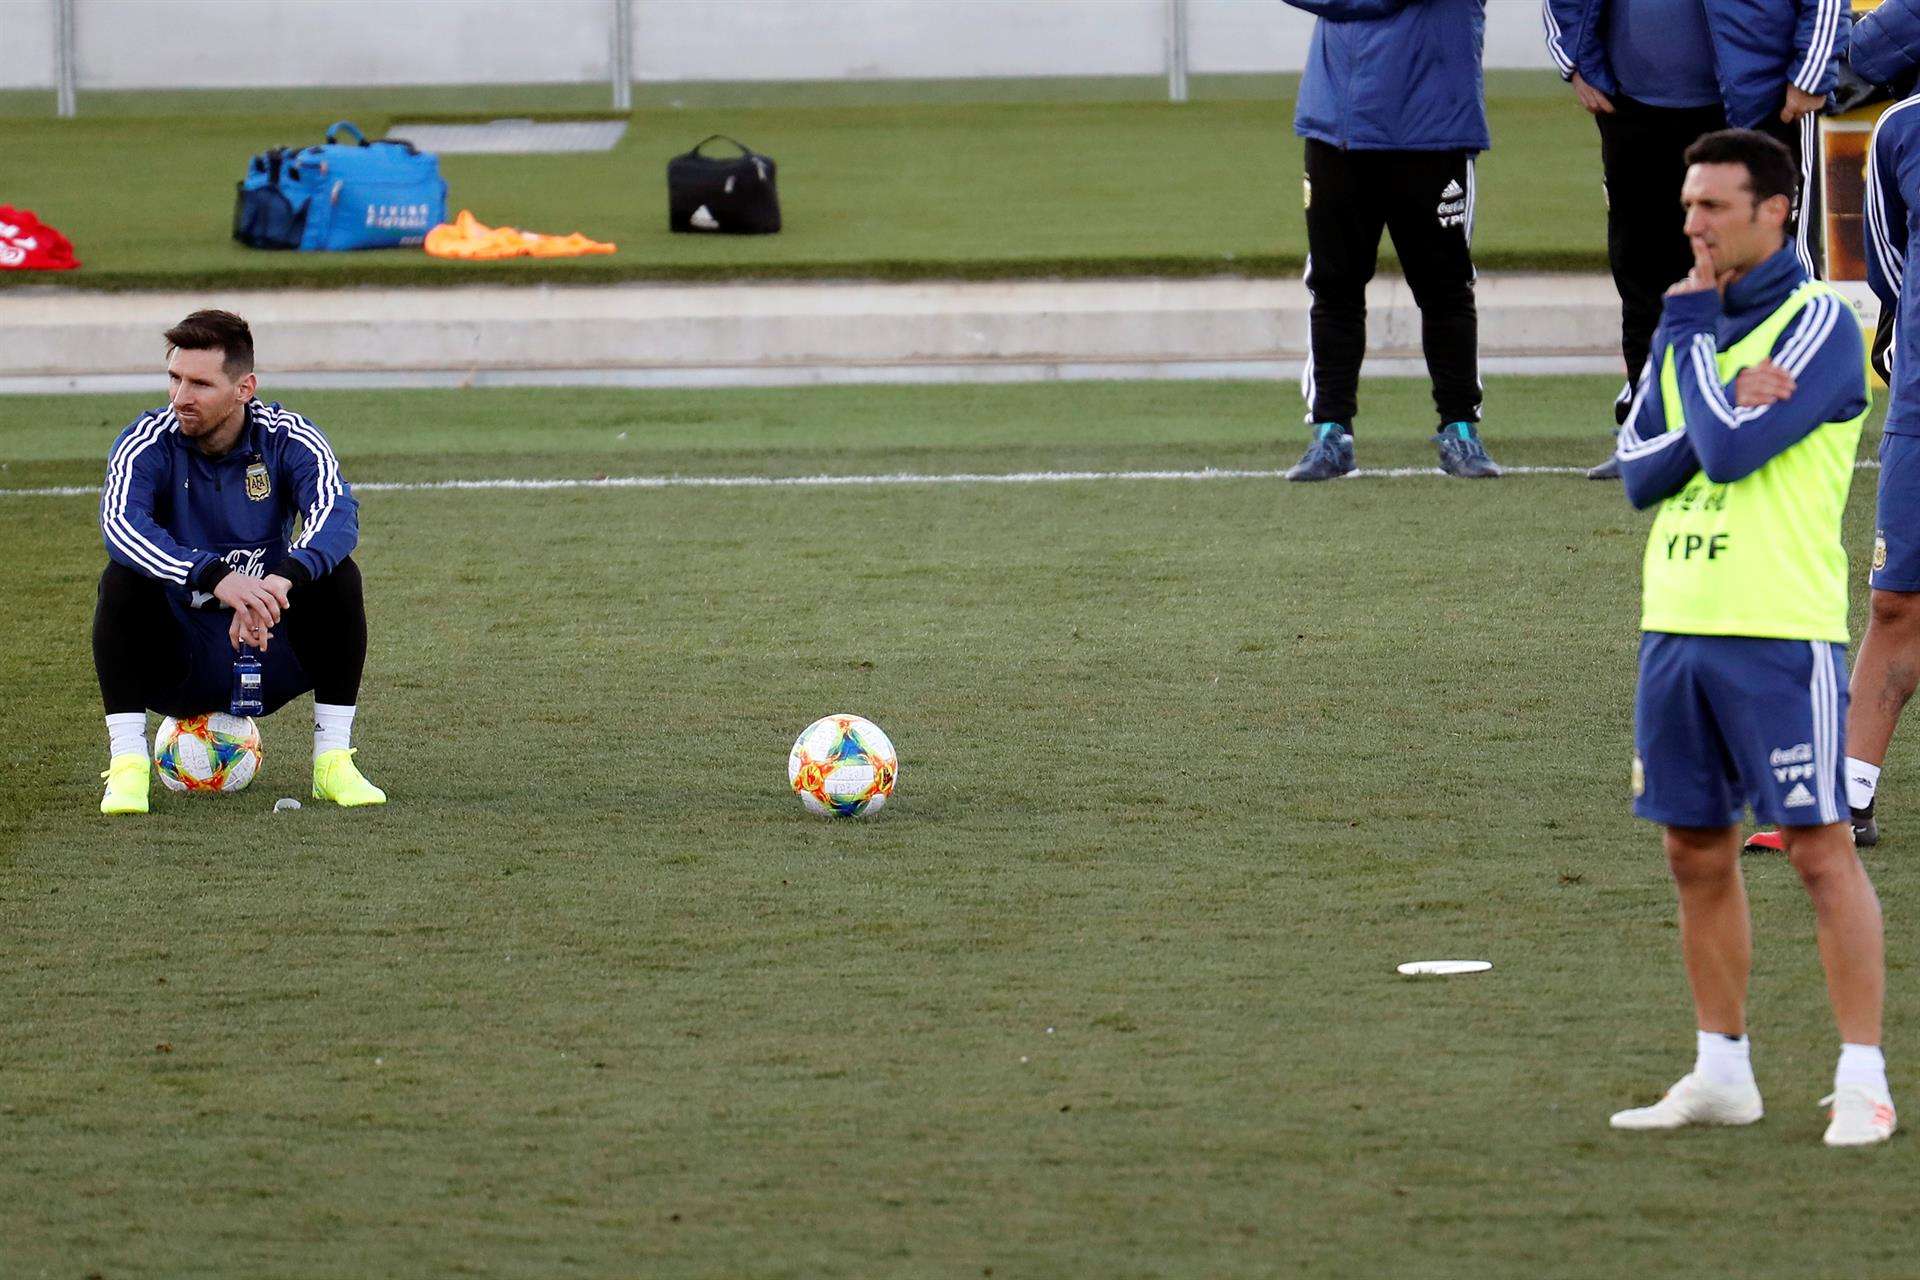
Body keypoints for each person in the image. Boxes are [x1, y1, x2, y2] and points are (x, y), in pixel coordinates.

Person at [1608, 130, 1891, 1146]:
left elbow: (1724, 456)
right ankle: (1721, 1067)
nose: (1692, 224)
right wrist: (1717, 395)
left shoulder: (1818, 324)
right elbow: (1642, 472)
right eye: (1688, 205)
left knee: (1817, 851)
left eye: (1713, 206)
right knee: (1693, 849)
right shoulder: (1689, 325)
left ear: (1776, 211)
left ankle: (1862, 1077)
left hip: (1779, 632)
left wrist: (1692, 366)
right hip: (1675, 621)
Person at [94, 310, 386, 814]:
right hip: (178, 654)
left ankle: (333, 761)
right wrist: (214, 576)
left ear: (244, 388)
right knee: (122, 578)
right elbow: (121, 524)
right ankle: (127, 767)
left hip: (267, 643)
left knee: (339, 574)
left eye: (200, 384)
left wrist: (282, 582)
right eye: (175, 377)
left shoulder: (287, 436)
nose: (181, 396)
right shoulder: (147, 440)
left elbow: (336, 510)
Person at [1544, 0, 1848, 480]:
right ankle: (1651, 435)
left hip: (1756, 107)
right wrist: (1575, 60)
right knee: (1642, 274)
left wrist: (1811, 71)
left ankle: (1777, 426)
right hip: (1635, 107)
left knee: (1768, 275)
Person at [1281, 0, 1502, 482]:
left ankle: (1460, 427)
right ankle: (1330, 433)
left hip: (1432, 129)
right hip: (1339, 127)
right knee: (1334, 287)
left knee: (1445, 288)